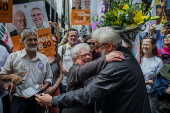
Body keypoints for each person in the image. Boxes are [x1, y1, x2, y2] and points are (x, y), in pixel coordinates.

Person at [36, 27, 151, 113]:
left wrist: (54, 100)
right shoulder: (123, 54)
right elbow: (76, 73)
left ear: (109, 46)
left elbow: (89, 93)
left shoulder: (117, 64)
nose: (95, 50)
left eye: (97, 46)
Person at [0, 29, 53, 113]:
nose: (33, 42)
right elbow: (2, 75)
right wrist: (12, 76)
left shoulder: (43, 58)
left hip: (38, 100)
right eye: (29, 40)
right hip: (19, 101)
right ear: (22, 41)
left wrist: (45, 85)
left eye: (35, 39)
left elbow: (49, 78)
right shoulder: (13, 57)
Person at [140, 37, 163, 113]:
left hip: (151, 95)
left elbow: (160, 81)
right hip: (137, 93)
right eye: (143, 44)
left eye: (147, 44)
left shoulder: (158, 61)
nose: (144, 46)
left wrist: (149, 82)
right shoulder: (137, 59)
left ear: (153, 46)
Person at [58, 28, 80, 94]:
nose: (73, 37)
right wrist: (62, 69)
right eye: (71, 36)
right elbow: (58, 61)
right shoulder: (61, 48)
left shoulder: (81, 48)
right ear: (67, 37)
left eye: (75, 36)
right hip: (65, 82)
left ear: (77, 37)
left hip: (77, 82)